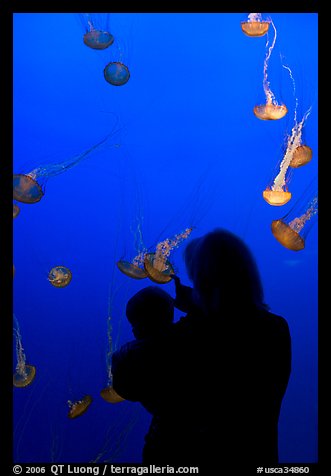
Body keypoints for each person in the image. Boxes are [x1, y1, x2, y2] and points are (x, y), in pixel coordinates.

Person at [112, 228, 291, 469]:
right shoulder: (276, 329)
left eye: (197, 278)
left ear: (207, 280)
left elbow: (126, 379)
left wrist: (183, 317)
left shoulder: (191, 336)